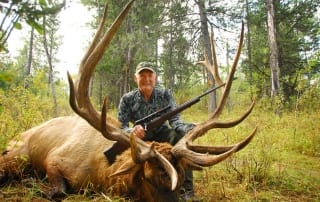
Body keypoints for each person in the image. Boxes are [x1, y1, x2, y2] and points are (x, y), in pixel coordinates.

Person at [117, 61, 196, 199]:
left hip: (162, 134)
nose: (147, 79)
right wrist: (132, 131)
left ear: (155, 78)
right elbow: (121, 126)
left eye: (150, 75)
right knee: (121, 156)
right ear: (136, 78)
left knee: (179, 138)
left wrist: (188, 128)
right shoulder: (127, 99)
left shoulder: (165, 94)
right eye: (142, 75)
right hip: (141, 139)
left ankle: (186, 189)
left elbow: (175, 119)